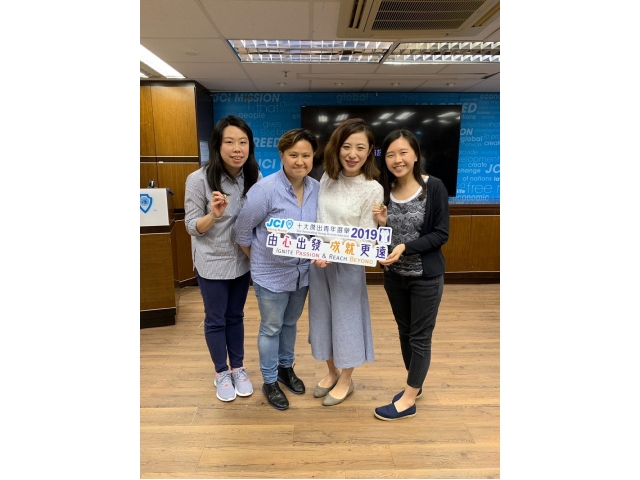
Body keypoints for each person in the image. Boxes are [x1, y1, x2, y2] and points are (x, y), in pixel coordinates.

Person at [234, 128, 320, 411]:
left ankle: (286, 368)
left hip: (302, 274)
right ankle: (269, 380)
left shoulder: (317, 189)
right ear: (282, 155)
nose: (300, 161)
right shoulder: (265, 190)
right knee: (271, 327)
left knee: (290, 324)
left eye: (306, 155)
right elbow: (242, 232)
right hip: (270, 277)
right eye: (293, 155)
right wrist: (261, 260)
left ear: (313, 157)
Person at [371, 129, 450, 421]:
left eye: (403, 152)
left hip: (425, 277)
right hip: (394, 277)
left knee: (419, 337)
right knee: (404, 332)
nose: (397, 159)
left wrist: (406, 247)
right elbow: (383, 239)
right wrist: (382, 226)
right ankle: (415, 385)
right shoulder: (384, 190)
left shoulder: (434, 187)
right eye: (390, 154)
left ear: (415, 155)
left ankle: (408, 400)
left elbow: (441, 234)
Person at [184, 115, 261, 403]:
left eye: (243, 142)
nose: (237, 149)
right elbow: (192, 226)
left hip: (241, 260)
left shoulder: (254, 176)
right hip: (212, 261)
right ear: (217, 145)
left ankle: (237, 368)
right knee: (216, 319)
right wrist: (213, 216)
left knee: (235, 316)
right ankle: (221, 372)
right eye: (230, 142)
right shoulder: (198, 180)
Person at [308, 118, 383, 406]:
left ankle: (346, 379)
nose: (352, 154)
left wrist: (333, 252)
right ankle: (331, 372)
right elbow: (318, 220)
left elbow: (365, 235)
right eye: (347, 146)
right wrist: (319, 250)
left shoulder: (372, 189)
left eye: (360, 148)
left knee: (346, 321)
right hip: (318, 261)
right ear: (337, 148)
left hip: (348, 265)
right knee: (321, 318)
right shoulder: (326, 179)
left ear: (370, 151)